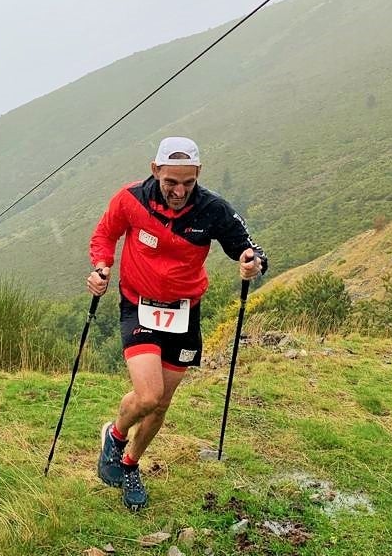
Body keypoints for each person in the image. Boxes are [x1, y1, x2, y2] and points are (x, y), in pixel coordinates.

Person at [87, 136, 266, 510]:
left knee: (161, 405)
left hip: (184, 311)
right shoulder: (130, 198)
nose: (179, 191)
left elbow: (246, 246)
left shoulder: (214, 209)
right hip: (138, 304)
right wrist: (102, 265)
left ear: (198, 174)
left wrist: (251, 261)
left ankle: (130, 463)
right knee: (148, 394)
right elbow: (106, 234)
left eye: (188, 182)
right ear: (155, 171)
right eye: (171, 182)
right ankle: (115, 435)